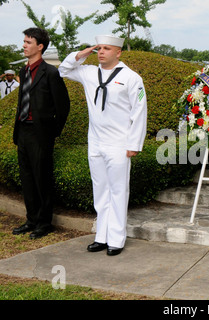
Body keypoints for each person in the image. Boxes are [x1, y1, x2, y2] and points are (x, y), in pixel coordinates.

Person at [58, 35, 147, 256]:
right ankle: (102, 236)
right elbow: (63, 70)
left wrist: (134, 143)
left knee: (118, 191)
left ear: (118, 52)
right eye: (99, 48)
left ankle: (116, 239)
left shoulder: (131, 77)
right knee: (100, 190)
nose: (101, 52)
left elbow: (139, 112)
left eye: (107, 48)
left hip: (119, 143)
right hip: (95, 142)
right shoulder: (89, 73)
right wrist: (82, 53)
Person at [12, 28, 70, 239]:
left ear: (40, 47)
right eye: (24, 41)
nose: (24, 45)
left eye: (28, 42)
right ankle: (31, 220)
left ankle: (44, 223)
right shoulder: (23, 71)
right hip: (23, 132)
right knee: (27, 179)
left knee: (41, 179)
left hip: (41, 135)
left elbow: (63, 106)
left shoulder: (51, 73)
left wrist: (51, 133)